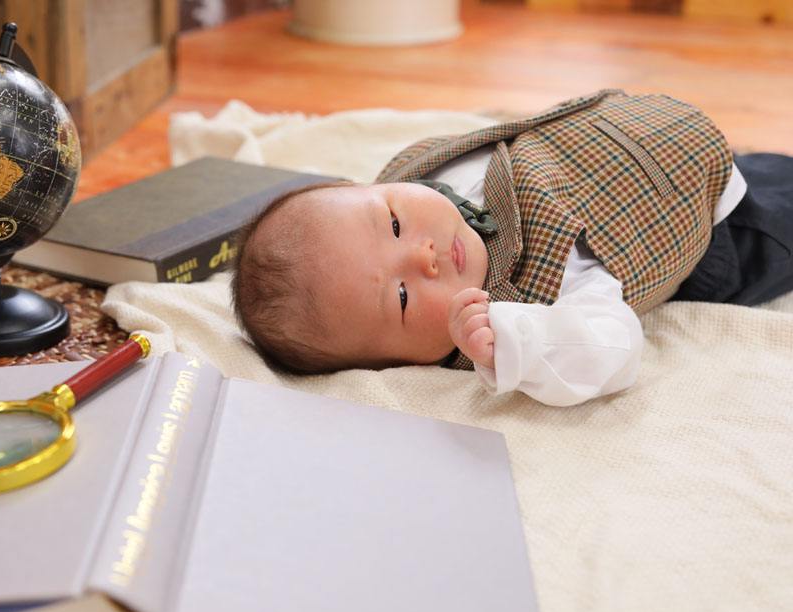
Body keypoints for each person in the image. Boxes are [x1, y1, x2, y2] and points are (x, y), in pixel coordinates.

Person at [230, 90, 793, 406]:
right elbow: (613, 346)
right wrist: (522, 340)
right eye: (401, 297)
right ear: (400, 364)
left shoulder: (417, 173)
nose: (423, 255)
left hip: (646, 149)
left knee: (773, 167)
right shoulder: (528, 299)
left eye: (394, 223)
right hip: (720, 227)